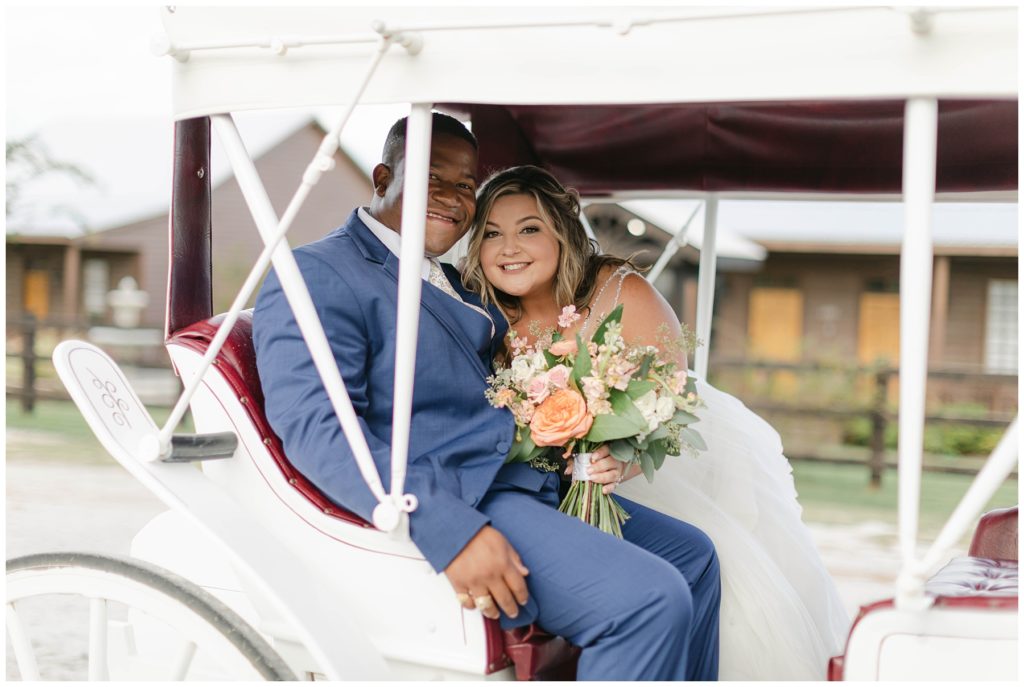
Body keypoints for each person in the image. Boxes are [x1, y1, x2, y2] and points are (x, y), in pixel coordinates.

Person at [253, 113, 721, 681]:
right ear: (382, 179)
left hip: (522, 480)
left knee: (694, 558)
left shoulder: (453, 281)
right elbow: (316, 428)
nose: (452, 198)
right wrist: (447, 527)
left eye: (464, 184)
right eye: (432, 178)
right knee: (648, 599)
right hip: (458, 492)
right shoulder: (321, 272)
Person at [461, 164, 851, 680]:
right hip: (550, 485)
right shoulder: (482, 315)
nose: (509, 247)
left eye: (528, 228)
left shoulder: (616, 290)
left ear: (562, 233)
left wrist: (618, 461)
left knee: (713, 563)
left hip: (658, 469)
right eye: (492, 234)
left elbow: (670, 393)